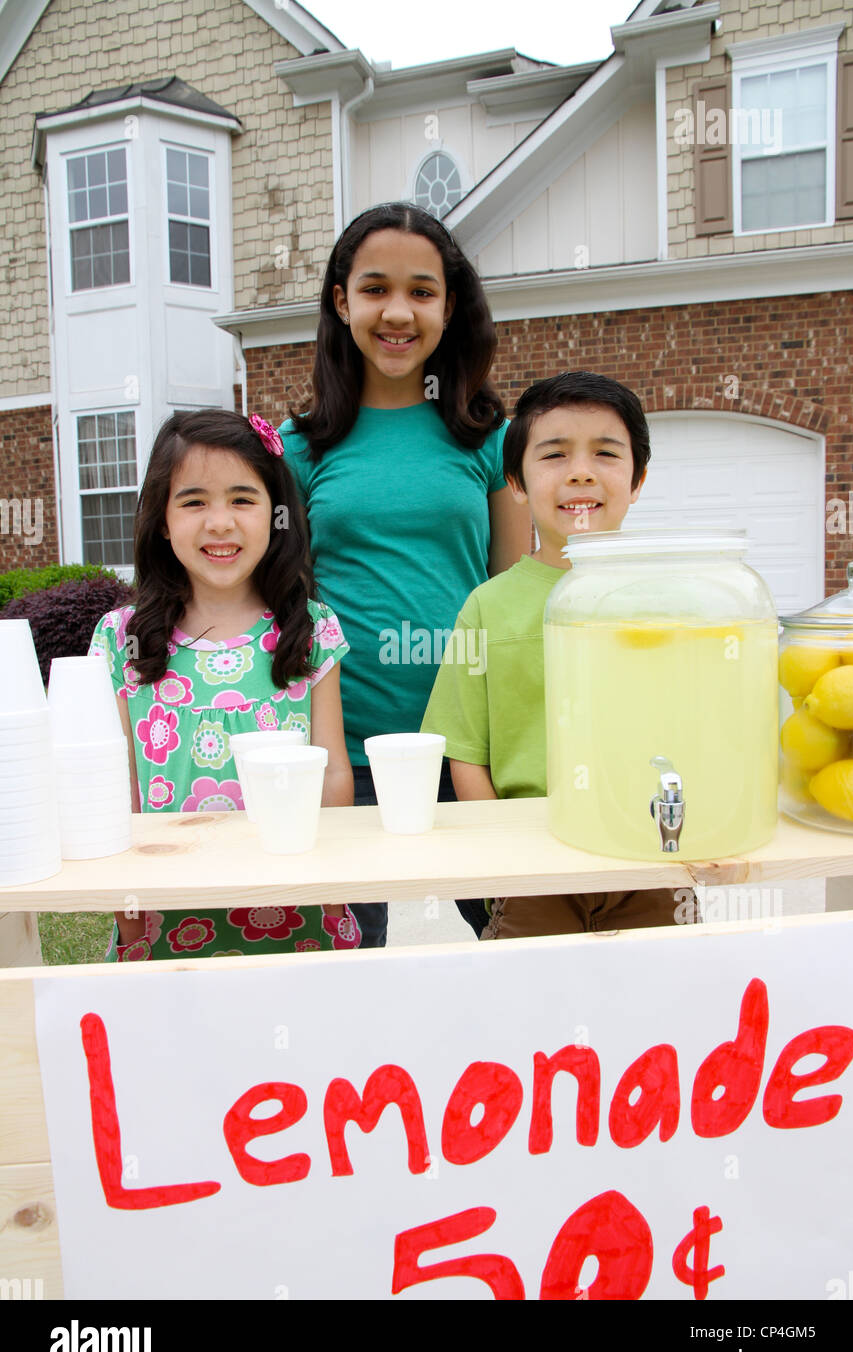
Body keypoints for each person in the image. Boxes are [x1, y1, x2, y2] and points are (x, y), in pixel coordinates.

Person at [278, 203, 529, 947]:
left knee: (516, 945)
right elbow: (286, 602)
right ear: (341, 300)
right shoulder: (302, 444)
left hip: (465, 748)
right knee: (349, 966)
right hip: (344, 754)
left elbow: (510, 594)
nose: (397, 311)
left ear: (450, 308)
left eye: (421, 291)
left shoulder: (491, 437)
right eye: (375, 288)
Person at [421, 371, 698, 937]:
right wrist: (505, 864)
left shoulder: (675, 600)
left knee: (666, 1008)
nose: (580, 470)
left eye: (605, 452)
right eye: (554, 454)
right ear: (517, 483)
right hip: (531, 868)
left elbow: (700, 734)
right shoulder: (486, 607)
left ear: (637, 478)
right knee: (530, 1012)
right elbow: (467, 755)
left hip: (650, 858)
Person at [88, 407, 360, 961]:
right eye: (193, 501)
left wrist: (331, 890)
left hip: (296, 909)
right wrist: (127, 907)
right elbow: (116, 787)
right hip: (163, 913)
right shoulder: (121, 639)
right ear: (162, 520)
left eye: (242, 498)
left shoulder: (309, 630)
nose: (220, 522)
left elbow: (331, 768)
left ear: (275, 513)